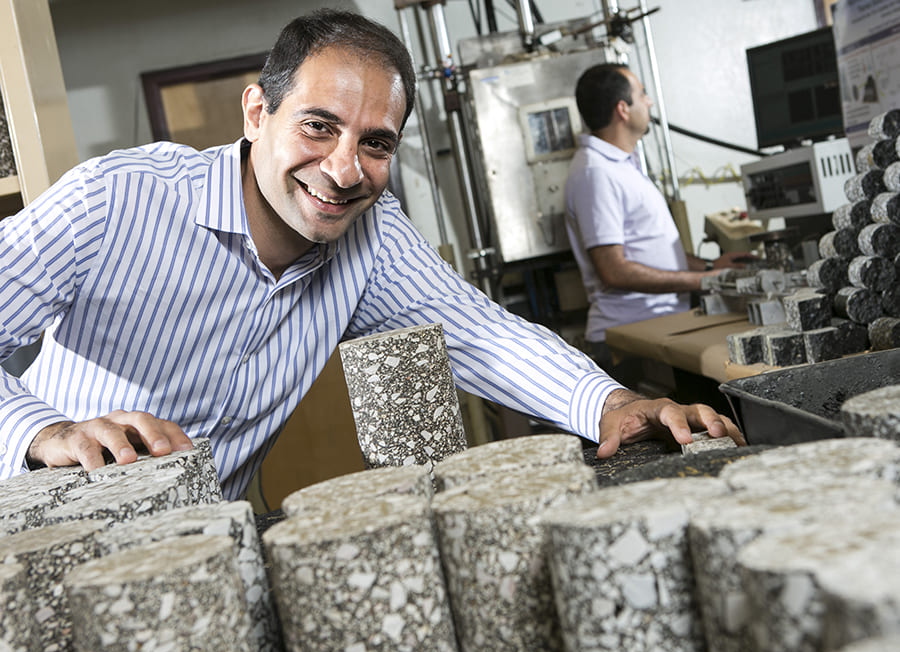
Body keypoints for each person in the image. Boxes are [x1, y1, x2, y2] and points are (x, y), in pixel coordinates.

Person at [0, 10, 743, 501]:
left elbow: (484, 336)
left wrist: (615, 403)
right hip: (53, 536)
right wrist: (44, 432)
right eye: (318, 126)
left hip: (206, 550)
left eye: (376, 143)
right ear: (258, 112)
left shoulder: (372, 233)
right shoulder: (116, 200)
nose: (345, 169)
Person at [565, 63, 749, 380]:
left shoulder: (622, 163)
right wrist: (708, 281)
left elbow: (651, 250)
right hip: (629, 339)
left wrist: (708, 267)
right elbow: (613, 270)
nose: (649, 102)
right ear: (623, 109)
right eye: (642, 94)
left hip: (658, 326)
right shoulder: (596, 172)